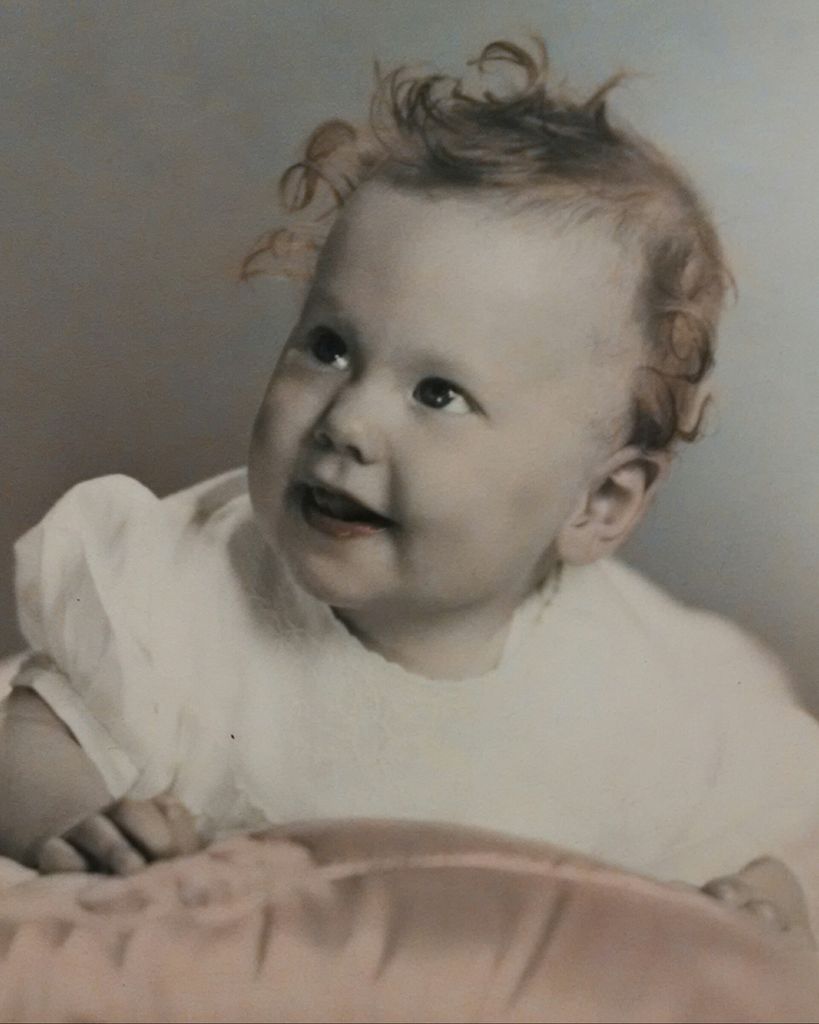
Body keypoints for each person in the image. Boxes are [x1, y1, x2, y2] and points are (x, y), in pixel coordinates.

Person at [1, 38, 818, 934]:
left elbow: (786, 823)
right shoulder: (183, 584)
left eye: (439, 394)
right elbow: (31, 737)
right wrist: (75, 824)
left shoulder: (646, 689)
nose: (347, 420)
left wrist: (765, 892)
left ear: (599, 504)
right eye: (328, 347)